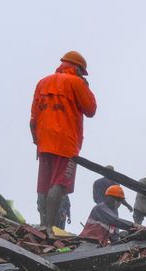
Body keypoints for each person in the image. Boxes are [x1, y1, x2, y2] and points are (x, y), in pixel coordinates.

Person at [30, 51, 97, 234]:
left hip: (44, 142)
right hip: (66, 143)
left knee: (43, 185)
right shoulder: (76, 82)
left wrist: (38, 141)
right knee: (59, 183)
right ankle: (50, 227)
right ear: (78, 69)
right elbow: (91, 109)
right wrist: (85, 86)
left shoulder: (43, 82)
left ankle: (42, 224)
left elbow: (33, 118)